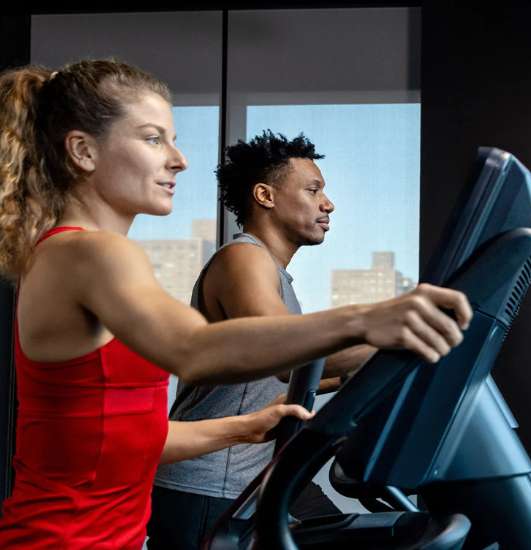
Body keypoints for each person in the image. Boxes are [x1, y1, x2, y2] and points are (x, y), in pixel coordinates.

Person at [0, 59, 470, 549]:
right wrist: (365, 319)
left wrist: (242, 428)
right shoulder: (89, 253)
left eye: (173, 139)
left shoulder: (76, 254)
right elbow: (193, 348)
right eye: (153, 139)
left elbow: (125, 432)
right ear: (83, 151)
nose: (179, 159)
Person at [148, 131, 373, 548]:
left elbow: (272, 380)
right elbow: (284, 355)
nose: (328, 204)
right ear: (265, 196)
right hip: (210, 484)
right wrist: (389, 338)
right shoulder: (243, 258)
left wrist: (353, 374)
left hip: (258, 476)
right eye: (313, 190)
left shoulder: (271, 273)